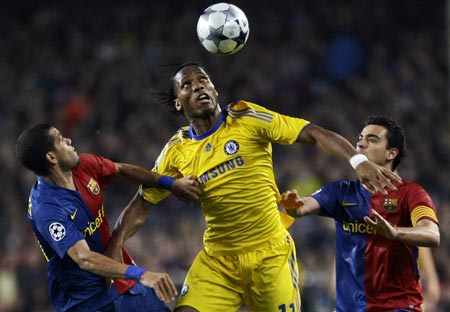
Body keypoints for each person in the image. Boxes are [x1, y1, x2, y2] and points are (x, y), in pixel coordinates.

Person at [108, 62, 401, 312]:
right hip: (218, 260)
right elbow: (141, 205)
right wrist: (114, 244)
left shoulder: (246, 117)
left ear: (215, 90)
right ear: (177, 102)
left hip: (270, 254)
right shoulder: (175, 151)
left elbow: (312, 133)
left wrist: (358, 159)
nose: (199, 86)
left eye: (204, 80)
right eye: (187, 84)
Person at [15, 123, 201, 312]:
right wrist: (142, 274)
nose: (69, 140)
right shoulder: (46, 209)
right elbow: (84, 258)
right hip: (87, 301)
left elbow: (120, 170)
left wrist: (171, 183)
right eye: (61, 139)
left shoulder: (83, 165)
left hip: (123, 283)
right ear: (51, 157)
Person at [280, 115, 440, 312]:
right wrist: (292, 207)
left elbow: (432, 234)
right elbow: (303, 207)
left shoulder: (412, 194)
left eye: (372, 140)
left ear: (391, 153)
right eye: (360, 138)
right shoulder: (341, 192)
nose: (361, 144)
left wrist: (395, 233)